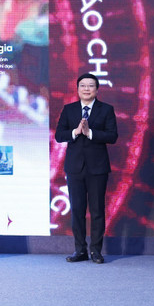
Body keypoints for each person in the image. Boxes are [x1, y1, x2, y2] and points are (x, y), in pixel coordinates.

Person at [54, 73, 118, 264]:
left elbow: (112, 136)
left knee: (97, 210)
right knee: (77, 210)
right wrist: (75, 131)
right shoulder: (69, 109)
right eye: (83, 86)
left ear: (97, 90)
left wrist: (90, 133)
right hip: (74, 168)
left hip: (97, 168)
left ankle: (96, 251)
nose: (87, 89)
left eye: (91, 86)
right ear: (78, 89)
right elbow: (59, 135)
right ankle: (80, 250)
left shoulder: (106, 109)